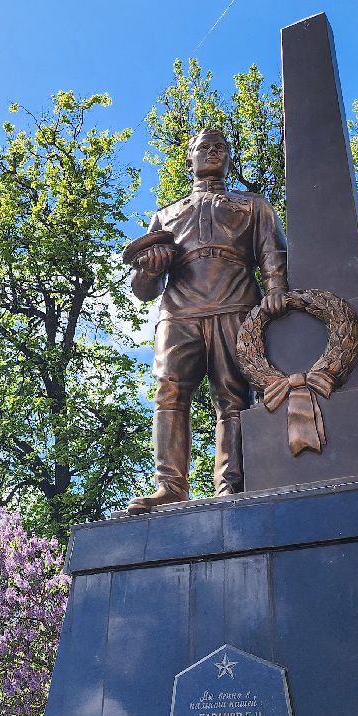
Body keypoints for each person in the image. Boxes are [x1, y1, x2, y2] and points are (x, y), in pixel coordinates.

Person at [125, 128, 289, 513]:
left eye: (221, 147)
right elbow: (143, 289)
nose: (213, 151)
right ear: (190, 159)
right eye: (204, 147)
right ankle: (169, 486)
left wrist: (276, 287)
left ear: (229, 158)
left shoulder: (253, 205)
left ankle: (231, 483)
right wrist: (150, 269)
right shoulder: (165, 216)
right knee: (168, 392)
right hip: (179, 310)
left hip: (235, 303)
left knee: (233, 395)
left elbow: (272, 250)